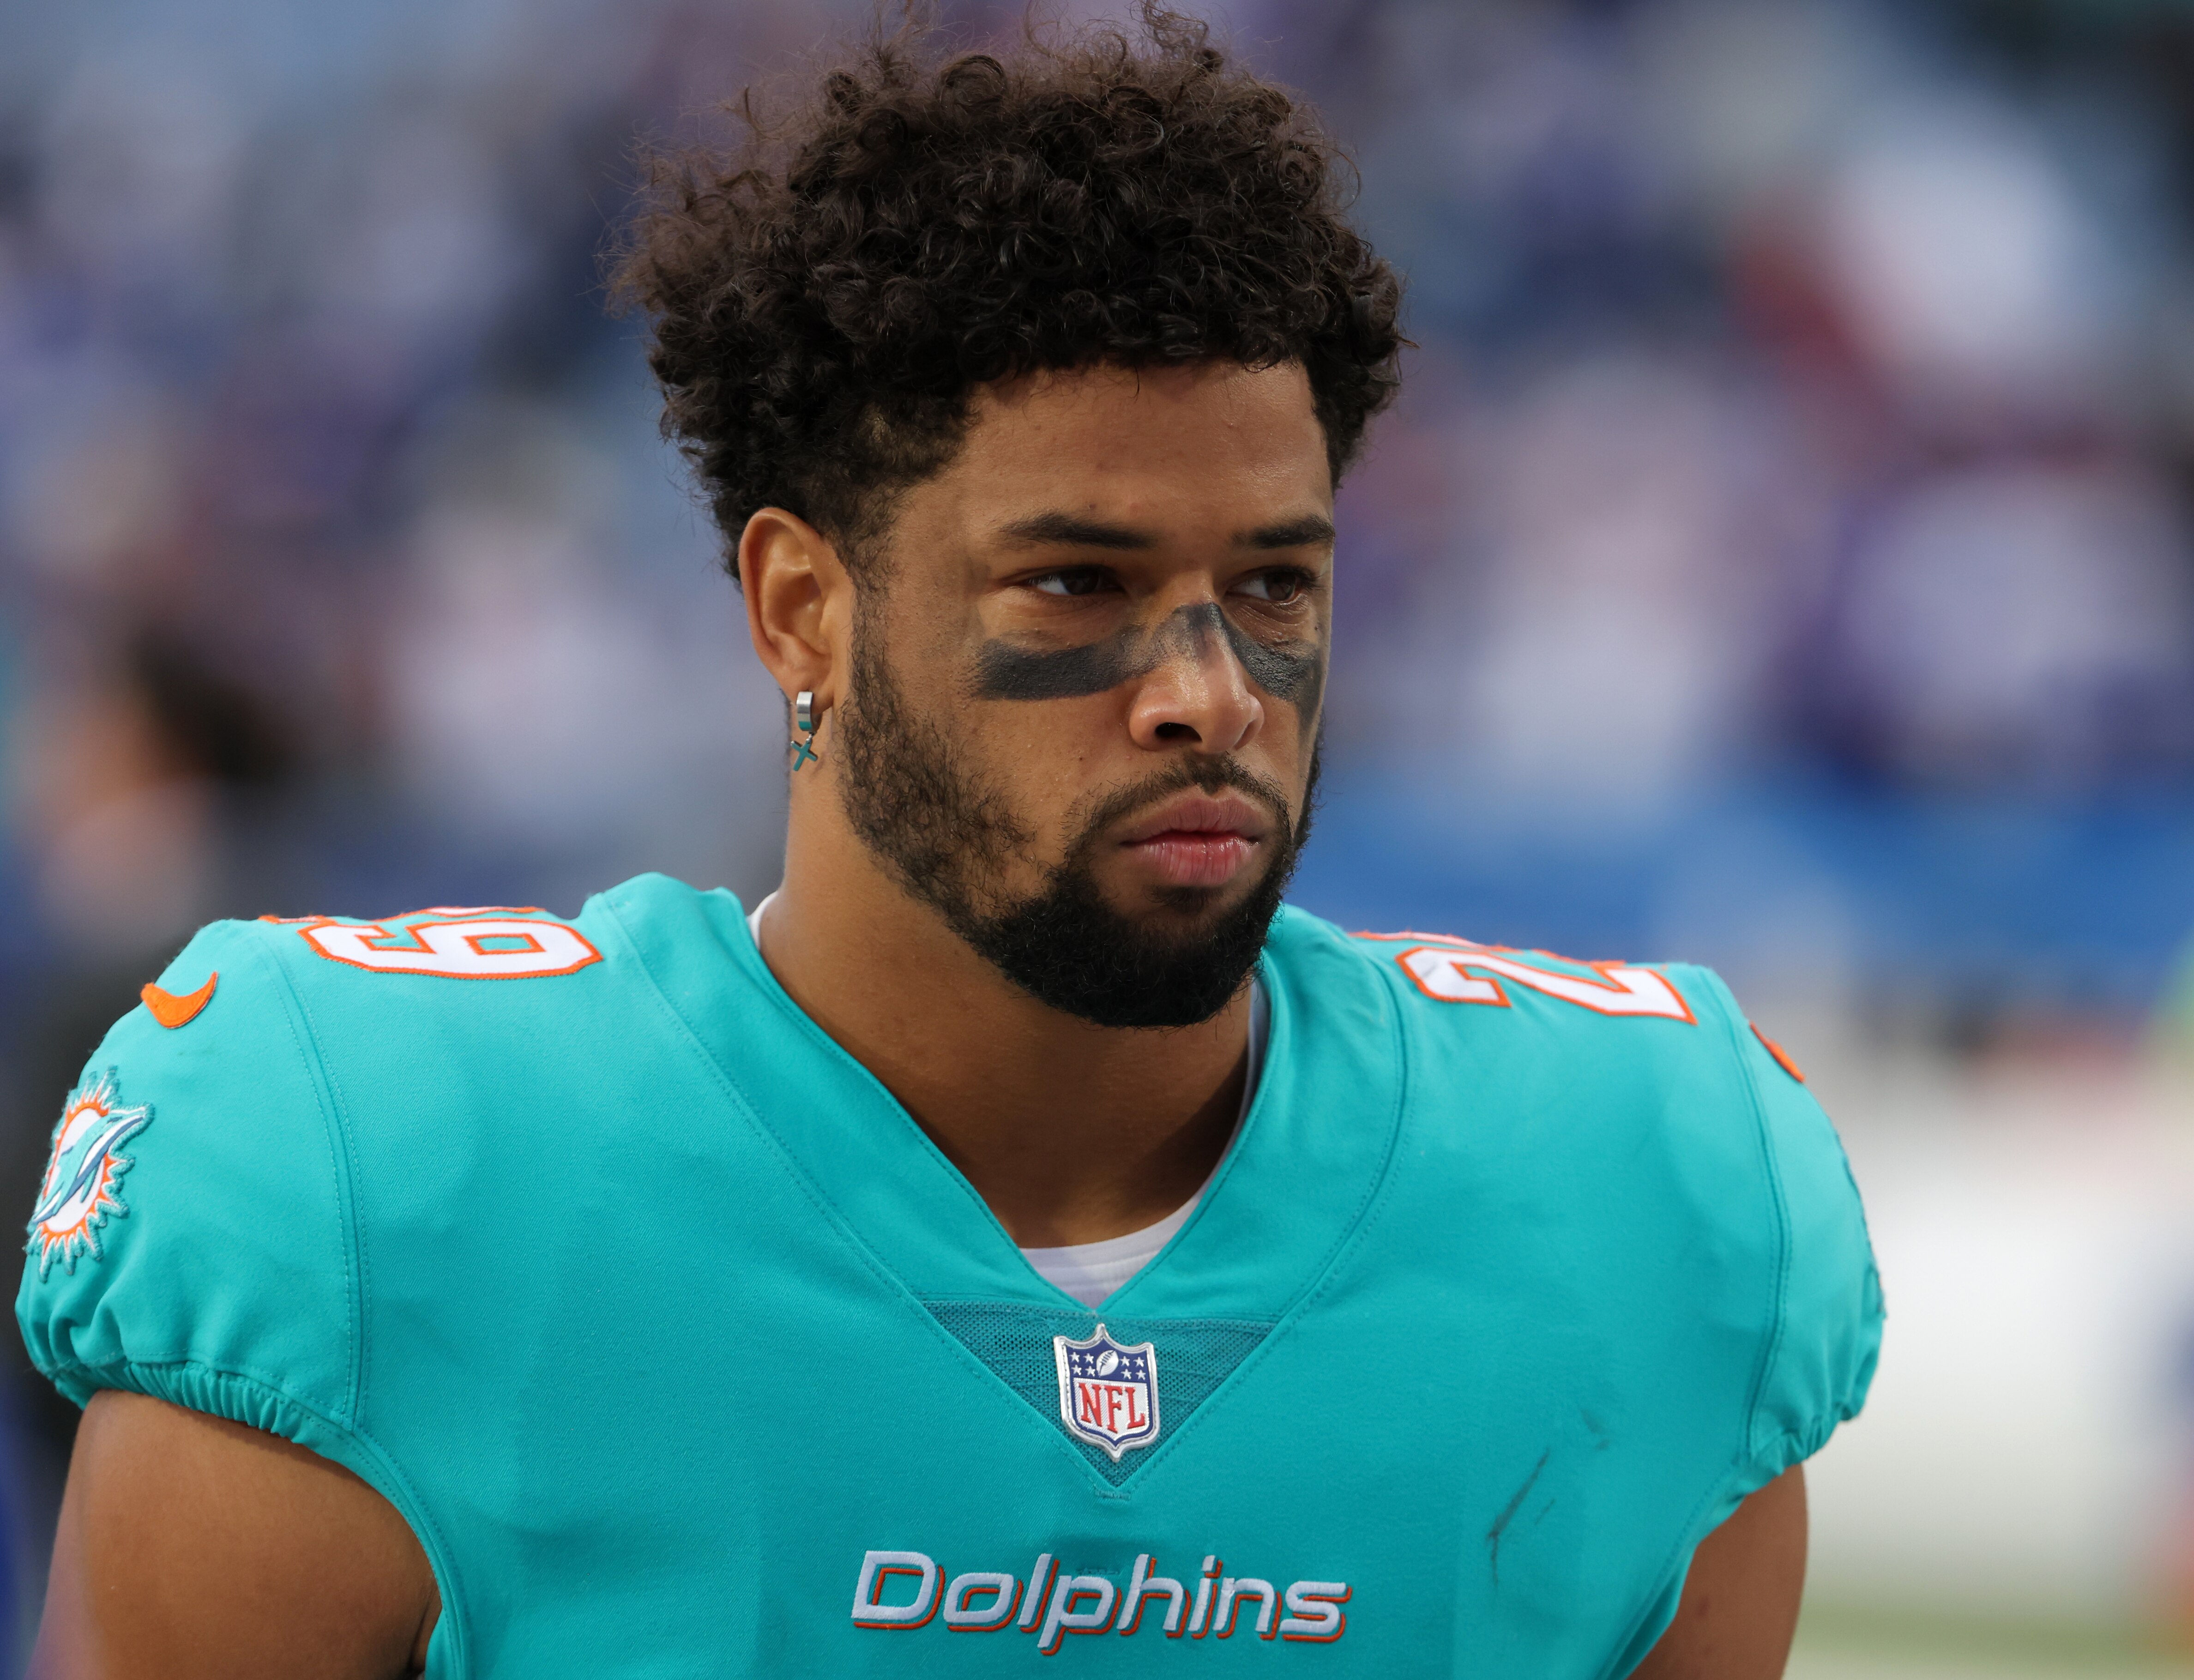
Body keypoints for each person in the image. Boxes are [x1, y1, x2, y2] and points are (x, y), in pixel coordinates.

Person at [19, 9, 1880, 1675]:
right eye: (1077, 581)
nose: (1205, 690)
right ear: (799, 610)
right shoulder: (365, 1172)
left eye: (1271, 583)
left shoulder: (1648, 1185)